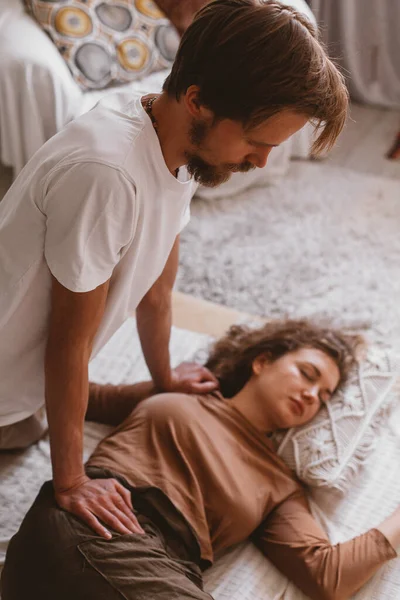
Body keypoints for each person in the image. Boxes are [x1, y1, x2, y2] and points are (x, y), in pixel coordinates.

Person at [0, 0, 349, 539]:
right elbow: (69, 341)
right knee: (26, 426)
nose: (260, 161)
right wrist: (71, 480)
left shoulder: (183, 147)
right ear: (197, 102)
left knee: (32, 422)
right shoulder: (108, 174)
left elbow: (158, 288)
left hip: (24, 378)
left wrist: (165, 380)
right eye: (257, 143)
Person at [1, 319, 398, 600]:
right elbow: (65, 389)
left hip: (167, 569)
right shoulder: (185, 395)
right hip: (94, 525)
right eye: (307, 374)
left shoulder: (281, 485)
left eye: (325, 396)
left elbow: (327, 576)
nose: (313, 395)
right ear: (262, 362)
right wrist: (162, 381)